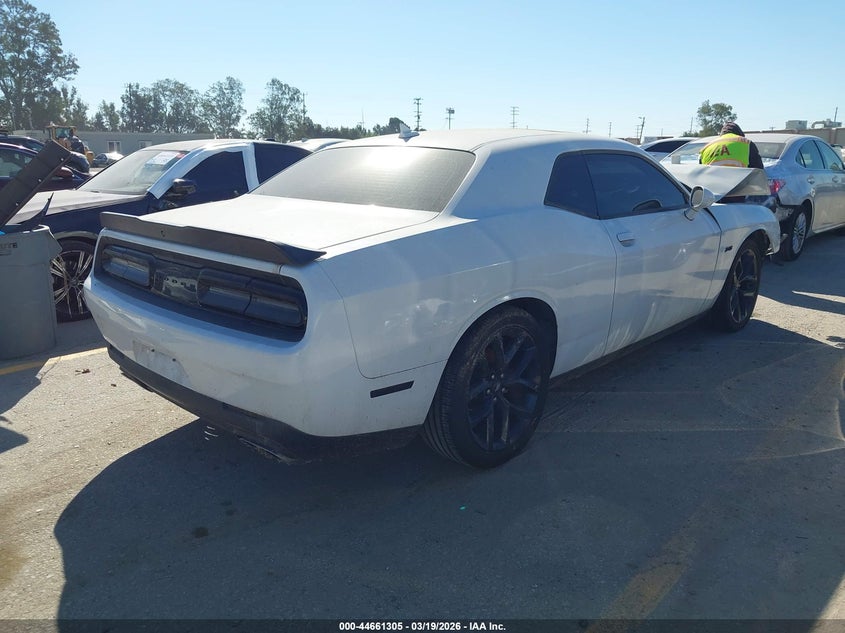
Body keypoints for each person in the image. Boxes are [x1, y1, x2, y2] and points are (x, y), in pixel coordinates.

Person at [699, 122, 764, 168]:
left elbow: (701, 173)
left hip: (712, 186)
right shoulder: (746, 144)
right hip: (739, 186)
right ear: (740, 134)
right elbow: (758, 172)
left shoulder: (707, 147)